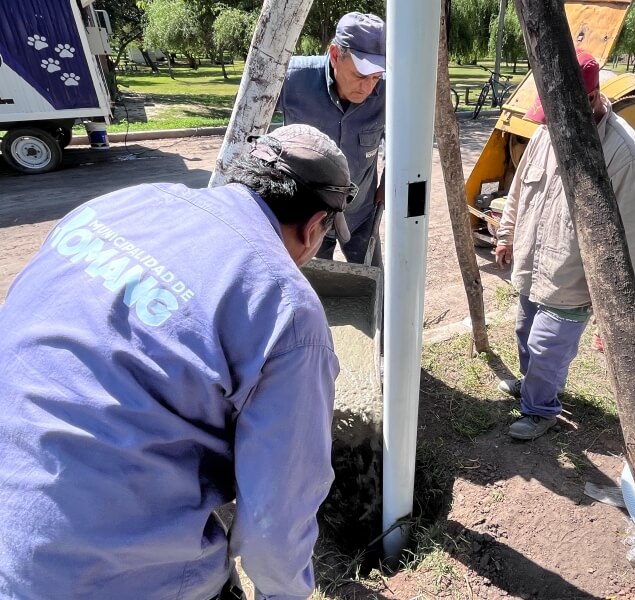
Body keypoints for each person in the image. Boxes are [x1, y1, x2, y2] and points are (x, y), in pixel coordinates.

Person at [0, 124, 358, 599]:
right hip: (108, 579)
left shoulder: (119, 205)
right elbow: (276, 521)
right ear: (315, 228)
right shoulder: (285, 308)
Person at [494, 50, 635, 441]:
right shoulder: (548, 131)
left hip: (575, 278)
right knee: (524, 331)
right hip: (534, 263)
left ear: (591, 99)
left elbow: (630, 234)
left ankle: (540, 409)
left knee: (548, 349)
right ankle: (534, 387)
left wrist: (617, 300)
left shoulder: (625, 155)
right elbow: (518, 188)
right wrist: (506, 234)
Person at [277, 11, 386, 266]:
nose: (368, 87)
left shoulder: (387, 93)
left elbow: (400, 140)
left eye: (376, 77)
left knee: (372, 287)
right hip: (305, 218)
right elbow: (250, 125)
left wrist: (389, 180)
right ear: (335, 55)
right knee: (311, 292)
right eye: (360, 75)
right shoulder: (291, 79)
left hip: (360, 214)